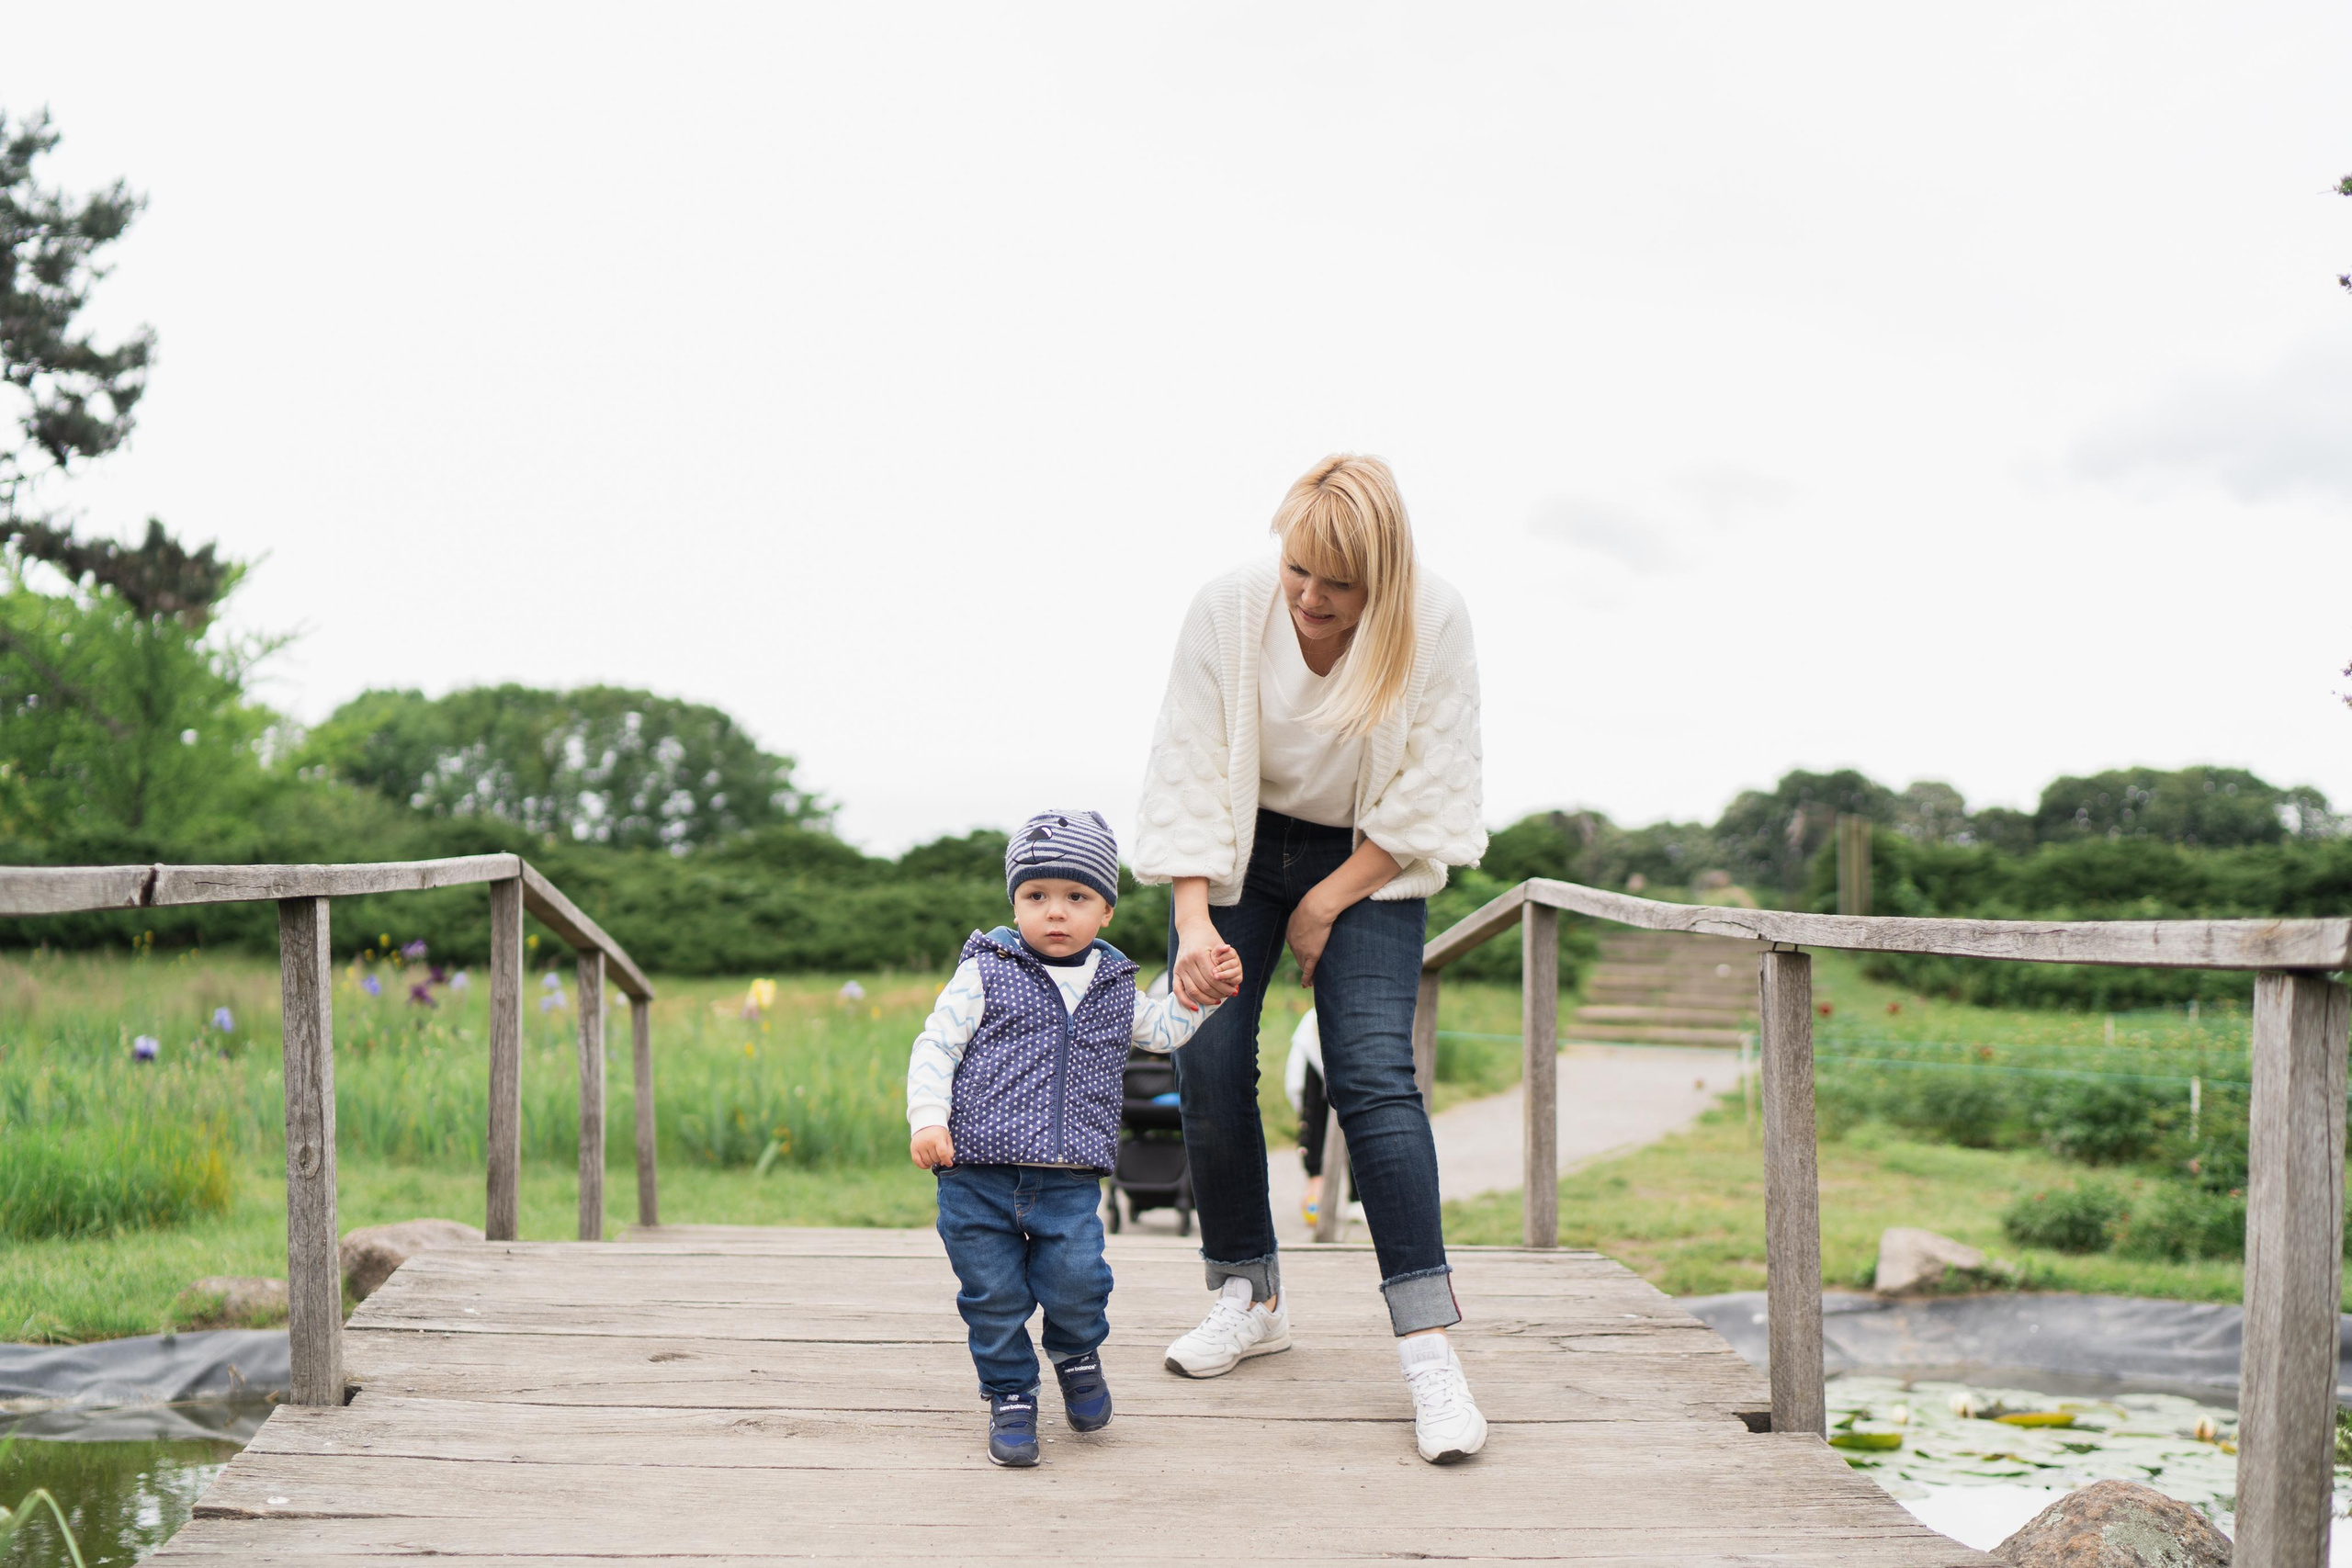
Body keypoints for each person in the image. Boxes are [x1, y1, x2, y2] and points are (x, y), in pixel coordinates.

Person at [1133, 453, 1491, 1464]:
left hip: (1367, 859)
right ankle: (1248, 1295)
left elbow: (1434, 788)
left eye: (1338, 585)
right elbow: (1188, 762)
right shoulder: (1228, 607)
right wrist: (1194, 923)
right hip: (1234, 846)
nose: (1311, 599)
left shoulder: (1437, 621)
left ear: (1382, 578)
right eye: (1299, 572)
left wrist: (1326, 903)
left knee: (1372, 1074)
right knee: (1203, 1058)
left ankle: (1428, 1352)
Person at [906, 808, 1241, 1468]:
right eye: (1036, 896)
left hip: (1067, 1177)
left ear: (1106, 911)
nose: (1054, 912)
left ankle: (1076, 1350)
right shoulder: (986, 970)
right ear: (1015, 902)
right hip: (976, 1171)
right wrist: (928, 1118)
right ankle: (1010, 1395)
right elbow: (935, 1044)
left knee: (1079, 1279)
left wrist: (1206, 995)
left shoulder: (1115, 984)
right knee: (993, 1296)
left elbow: (1163, 1030)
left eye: (1076, 897)